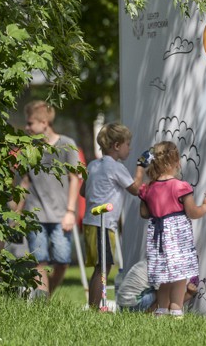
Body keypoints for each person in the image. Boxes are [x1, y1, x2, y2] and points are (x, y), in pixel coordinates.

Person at [138, 141, 206, 317]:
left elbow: (144, 213)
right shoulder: (180, 186)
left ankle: (161, 310)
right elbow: (193, 213)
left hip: (158, 238)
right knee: (180, 277)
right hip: (177, 238)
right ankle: (176, 310)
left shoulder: (148, 188)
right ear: (175, 163)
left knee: (165, 277)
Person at [14, 100, 81, 300]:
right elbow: (25, 182)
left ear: (44, 123)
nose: (27, 127)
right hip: (35, 214)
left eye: (30, 123)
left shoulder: (67, 144)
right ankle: (41, 304)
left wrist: (70, 211)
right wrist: (16, 212)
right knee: (40, 261)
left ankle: (46, 297)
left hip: (61, 215)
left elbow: (74, 179)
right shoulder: (29, 148)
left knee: (62, 261)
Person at [80, 123, 144, 309]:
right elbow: (135, 189)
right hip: (104, 223)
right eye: (127, 144)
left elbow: (83, 191)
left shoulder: (93, 165)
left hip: (90, 222)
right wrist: (140, 168)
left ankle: (94, 306)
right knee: (103, 267)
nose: (129, 149)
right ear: (117, 145)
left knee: (100, 267)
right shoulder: (116, 167)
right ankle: (95, 308)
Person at [115, 259, 199, 313]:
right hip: (134, 304)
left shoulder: (151, 262)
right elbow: (168, 300)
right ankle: (152, 313)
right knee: (165, 297)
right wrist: (189, 294)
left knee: (163, 293)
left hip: (123, 306)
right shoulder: (162, 268)